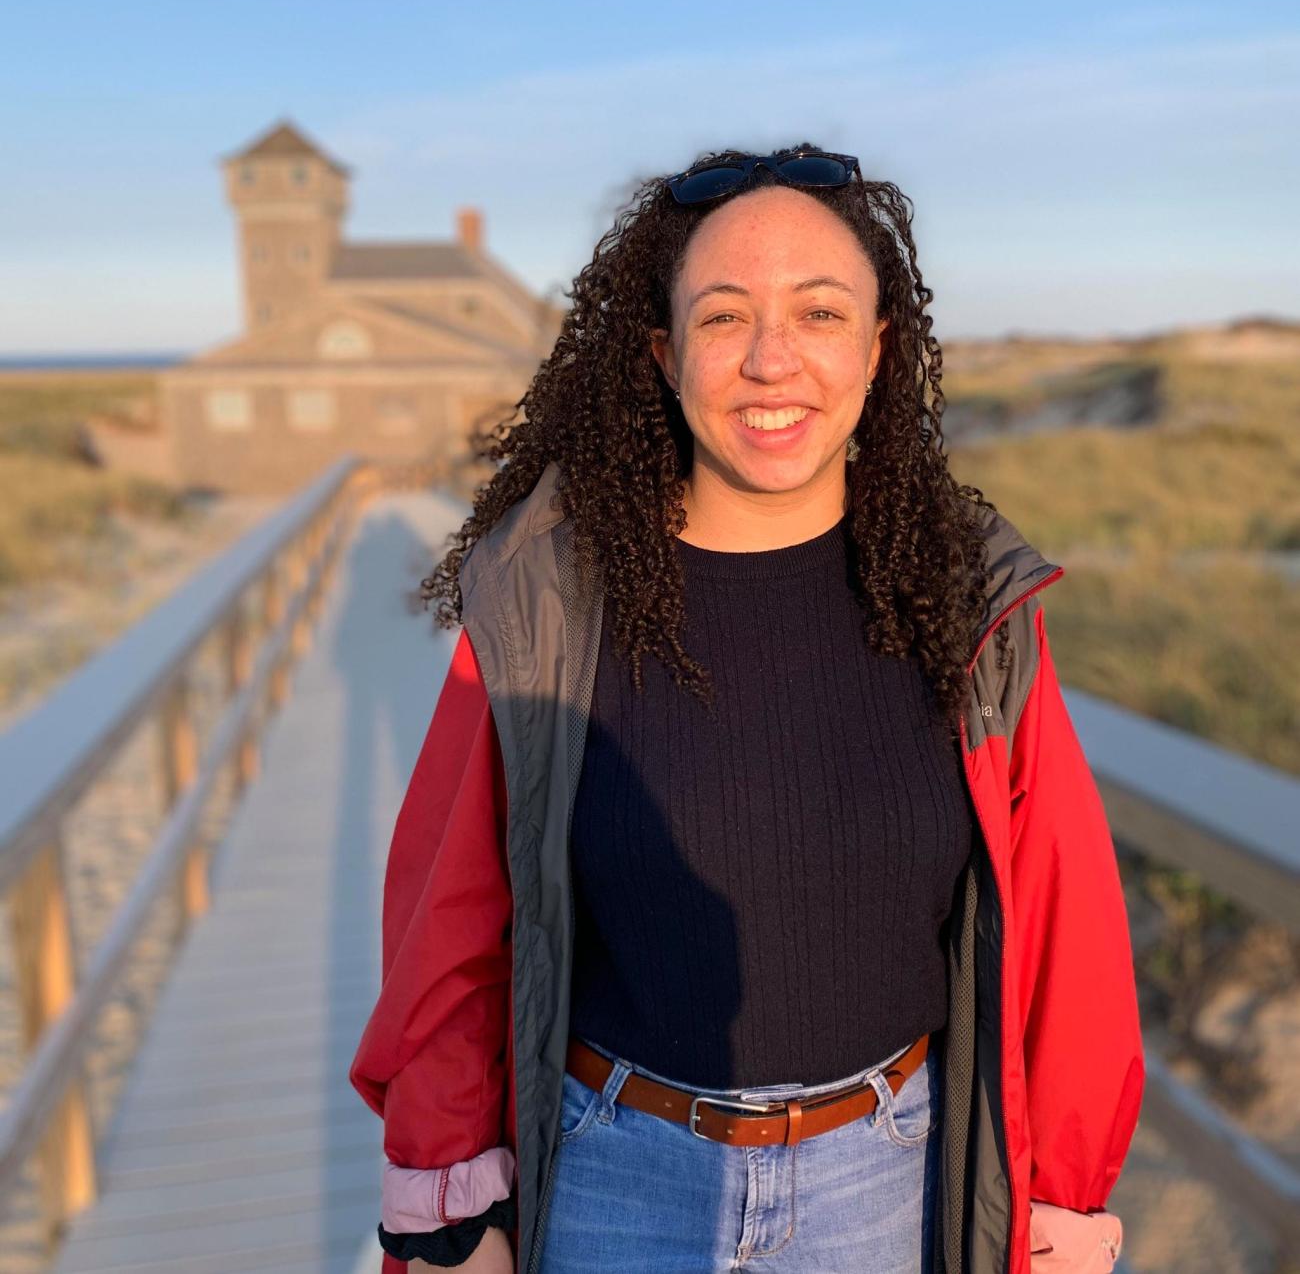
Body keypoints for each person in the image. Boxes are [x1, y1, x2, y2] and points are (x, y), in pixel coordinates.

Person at [349, 144, 1144, 1274]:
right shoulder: (548, 600)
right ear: (666, 356)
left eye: (819, 313)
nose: (773, 360)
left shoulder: (967, 598)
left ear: (877, 350)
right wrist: (449, 1213)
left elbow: (1067, 926)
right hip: (613, 1175)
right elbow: (449, 924)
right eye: (725, 318)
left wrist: (1061, 1203)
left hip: (892, 1183)